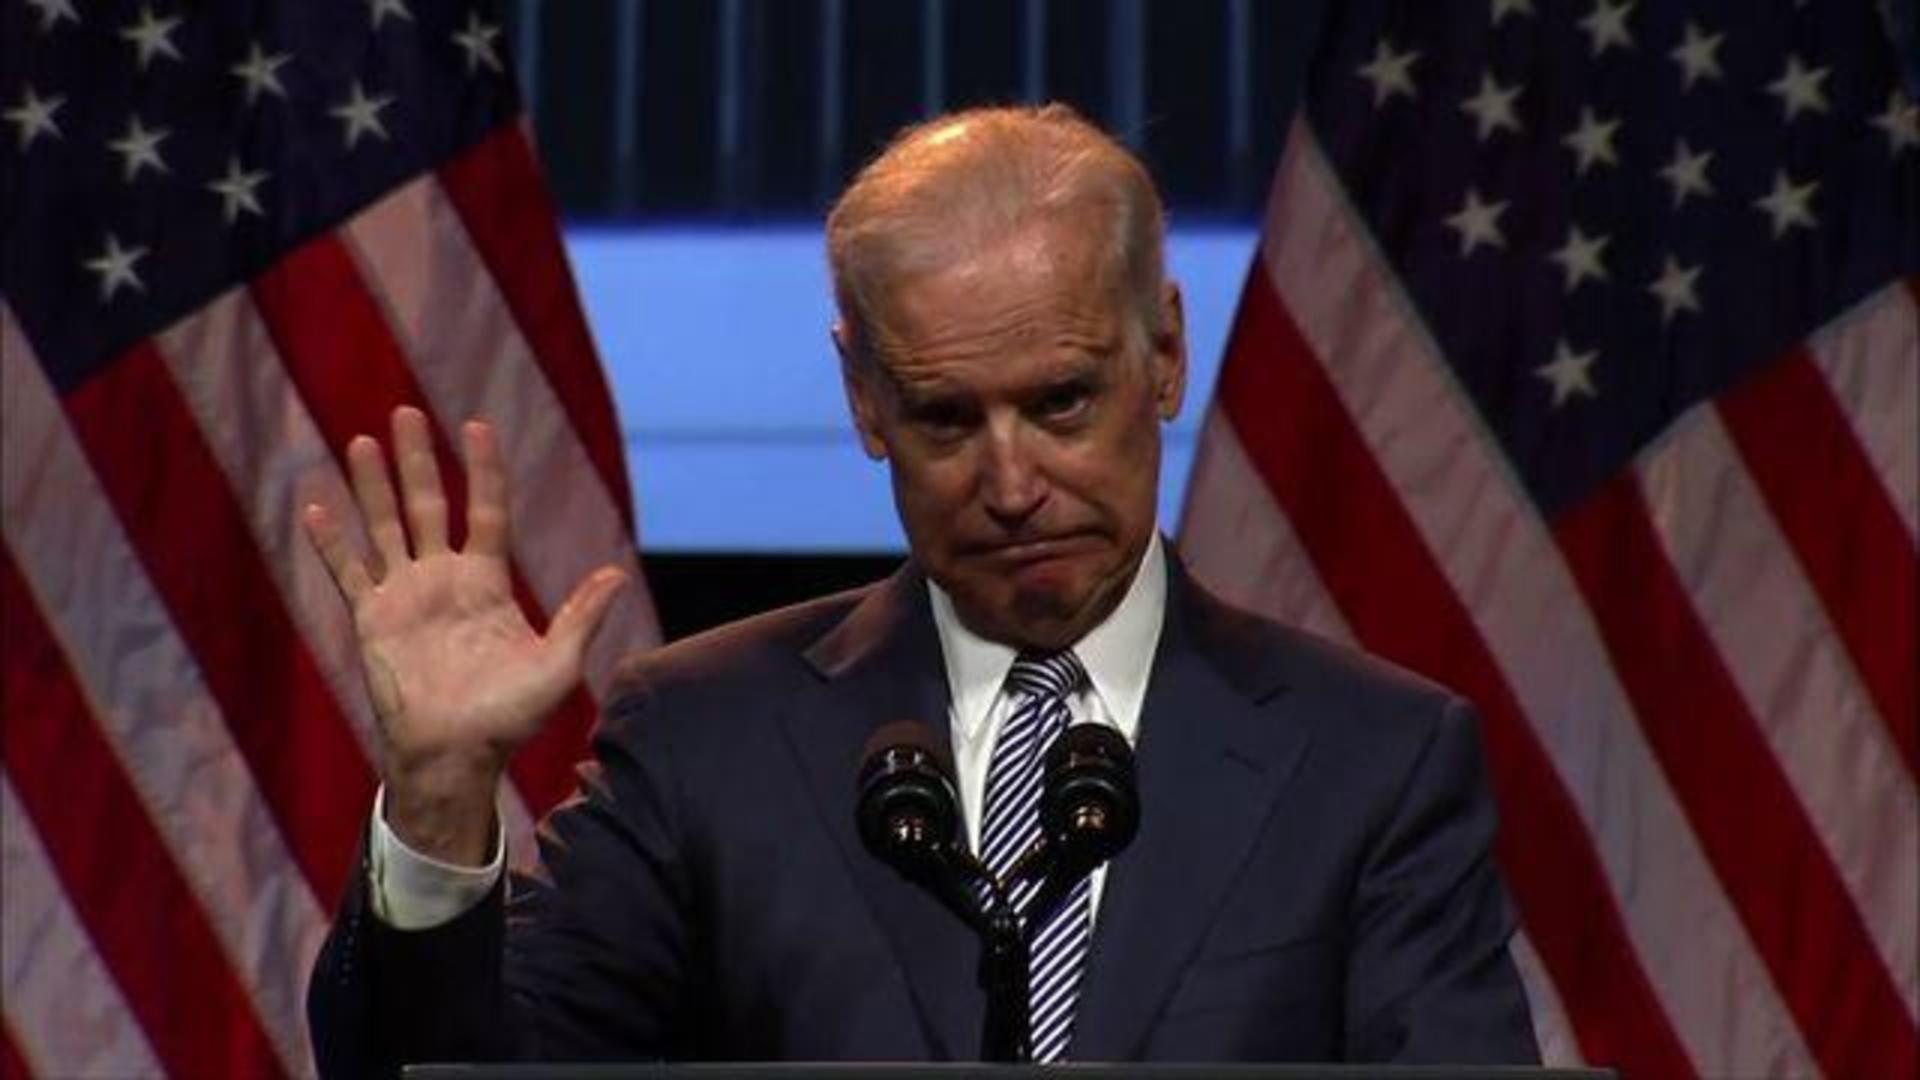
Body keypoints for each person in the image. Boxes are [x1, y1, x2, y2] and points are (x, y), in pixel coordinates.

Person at [303, 104, 1538, 1075]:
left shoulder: (1373, 760)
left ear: (1162, 352)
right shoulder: (704, 739)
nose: (1011, 483)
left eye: (1061, 402)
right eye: (948, 417)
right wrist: (441, 799)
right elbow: (456, 1078)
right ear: (865, 401)